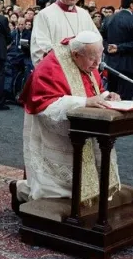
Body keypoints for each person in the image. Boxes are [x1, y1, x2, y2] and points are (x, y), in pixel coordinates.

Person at [10, 30, 121, 209]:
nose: (97, 63)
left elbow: (93, 89)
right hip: (53, 129)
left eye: (99, 57)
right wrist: (84, 102)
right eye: (93, 59)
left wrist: (106, 96)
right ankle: (23, 191)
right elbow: (44, 104)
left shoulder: (86, 59)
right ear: (76, 54)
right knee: (56, 189)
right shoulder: (52, 65)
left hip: (82, 129)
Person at [30, 0, 97, 66]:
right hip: (56, 72)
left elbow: (96, 42)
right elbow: (40, 48)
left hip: (82, 72)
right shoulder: (45, 15)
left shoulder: (84, 15)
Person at [103, 0, 133, 100]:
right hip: (128, 66)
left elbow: (101, 38)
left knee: (112, 97)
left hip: (111, 65)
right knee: (125, 98)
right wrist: (118, 47)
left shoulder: (109, 19)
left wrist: (108, 47)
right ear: (131, 5)